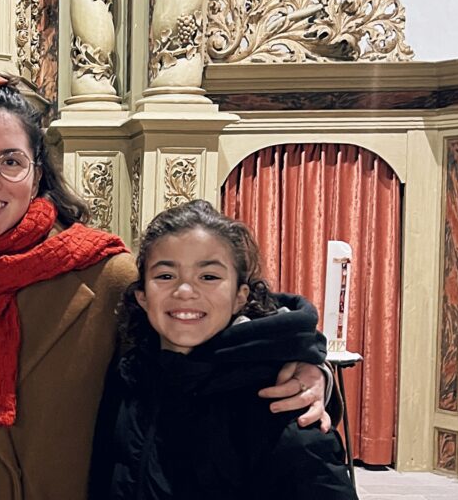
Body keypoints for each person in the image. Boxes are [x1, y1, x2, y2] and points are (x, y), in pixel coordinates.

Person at [0, 65, 330, 500]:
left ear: (37, 175)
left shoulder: (106, 274)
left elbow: (199, 357)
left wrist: (308, 365)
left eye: (11, 161)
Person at [98, 200, 356, 499]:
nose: (185, 291)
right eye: (166, 276)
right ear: (142, 296)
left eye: (208, 277)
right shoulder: (129, 379)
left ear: (239, 296)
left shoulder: (281, 402)